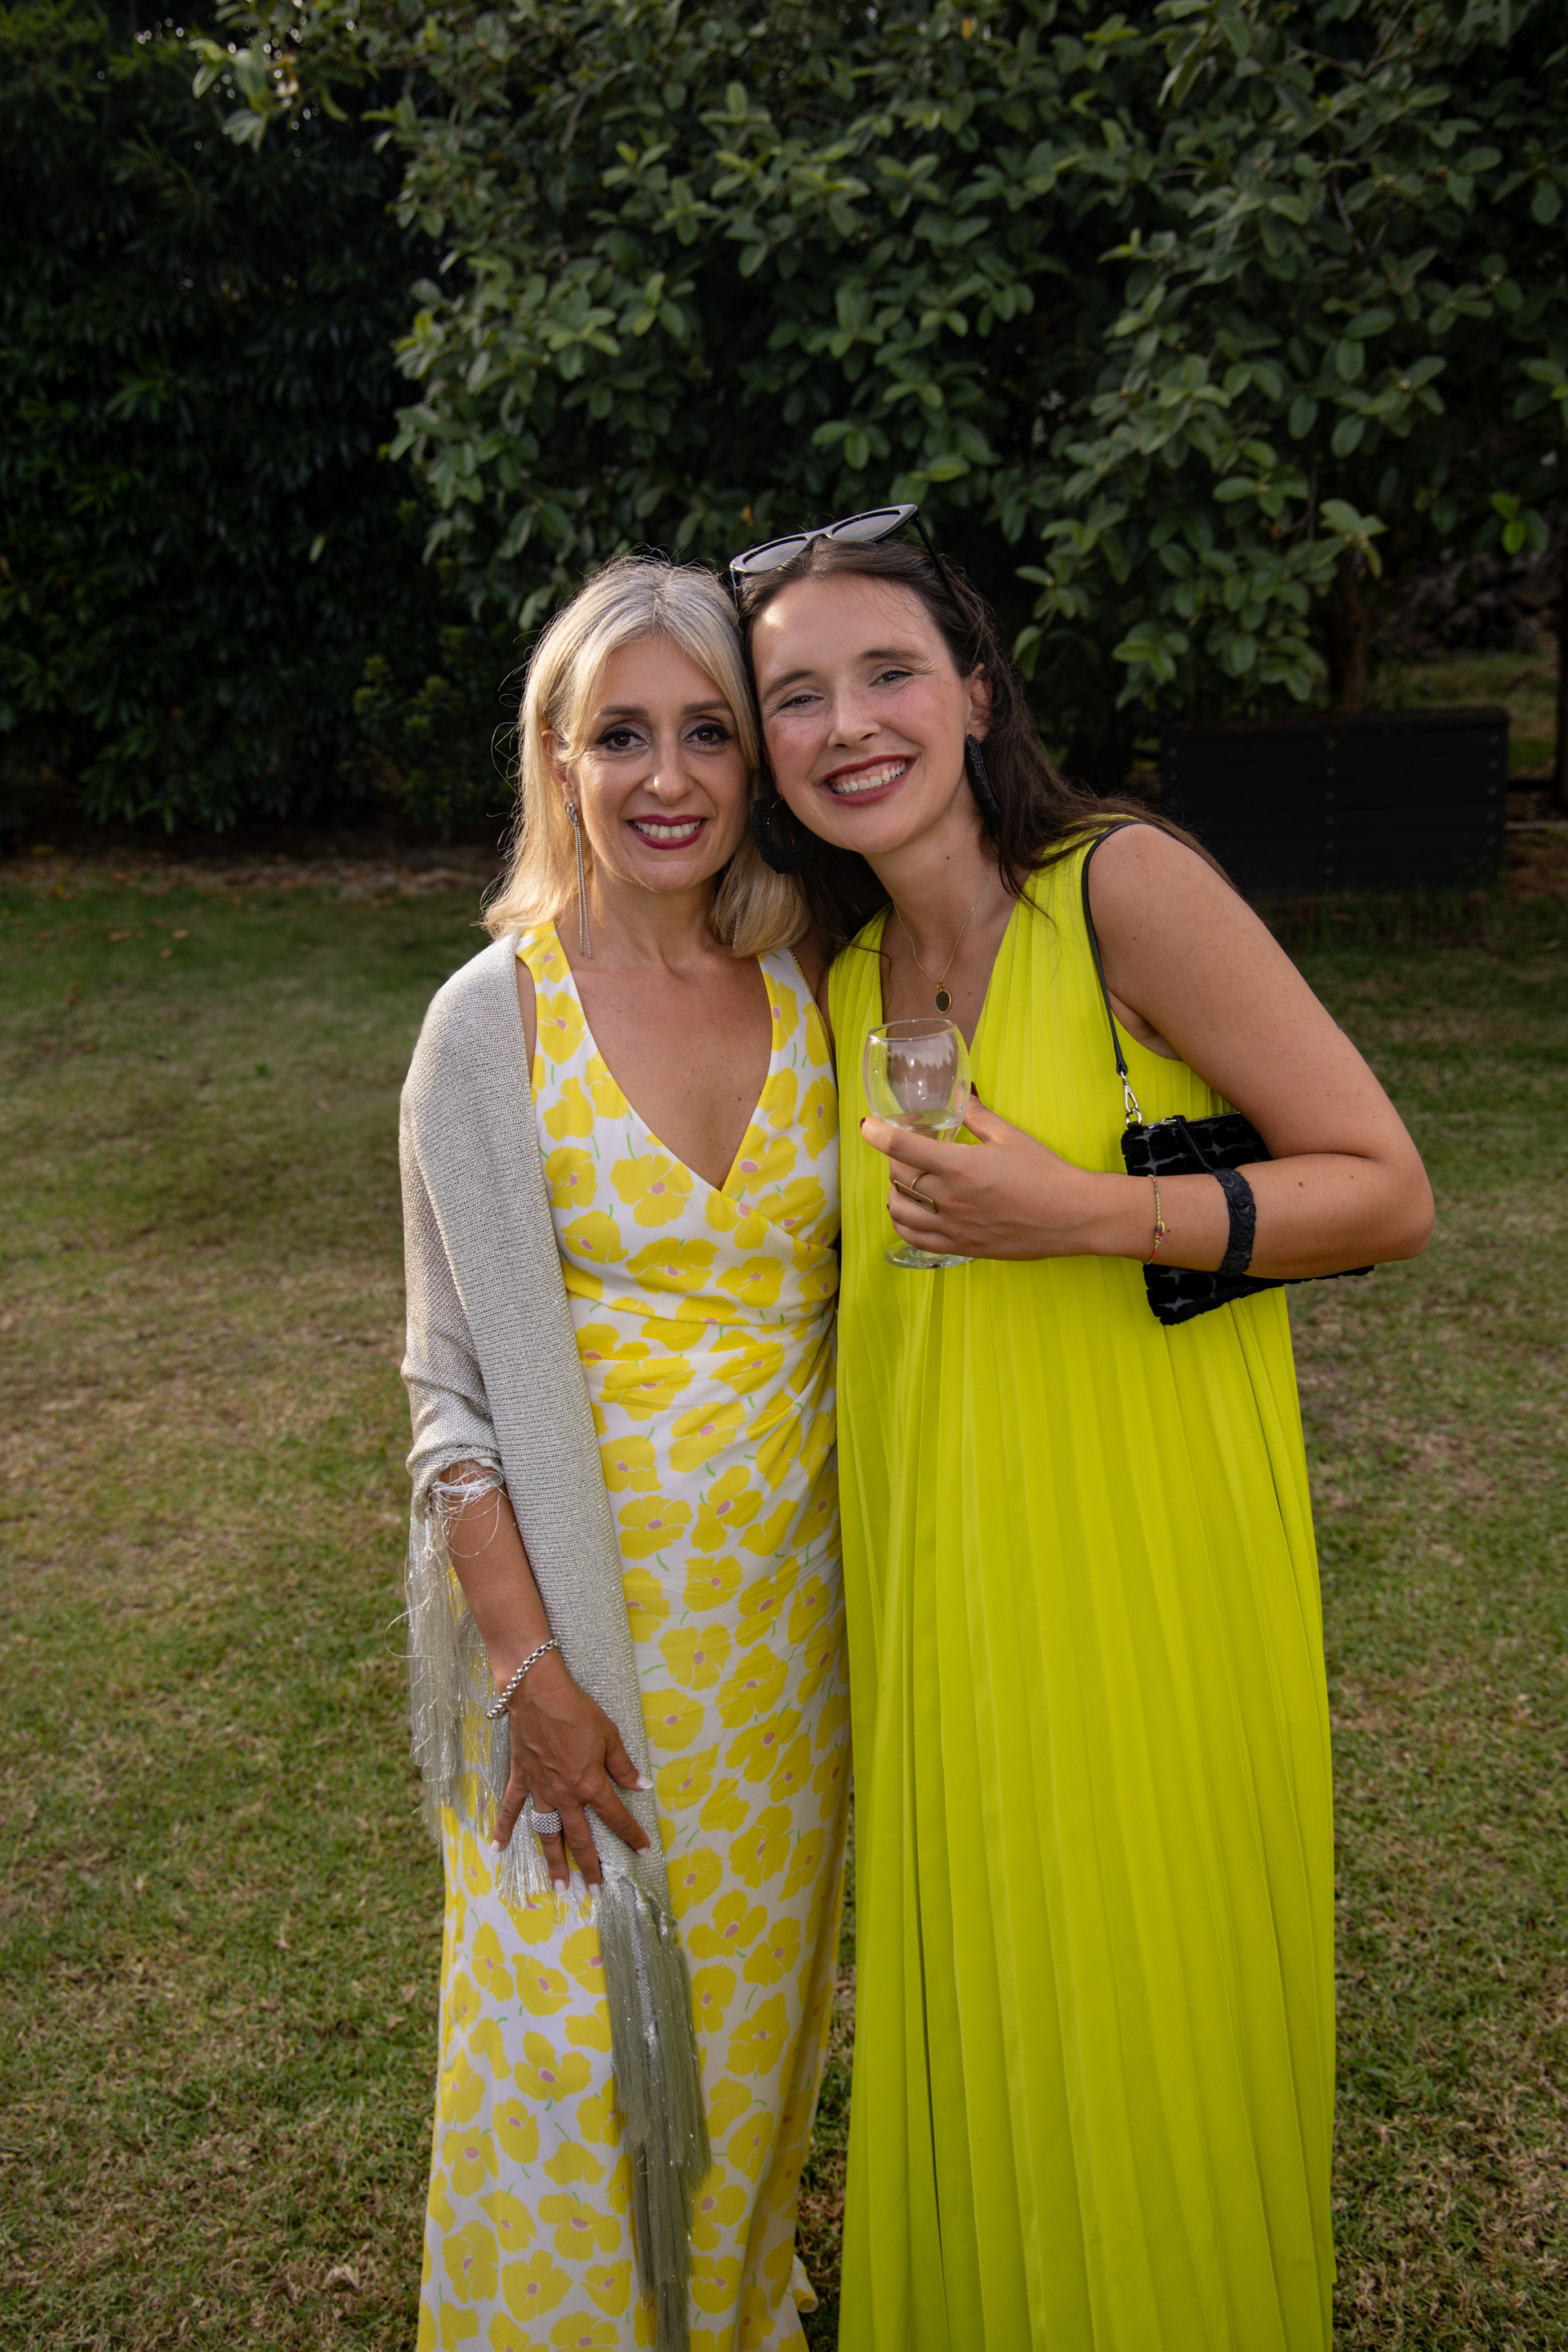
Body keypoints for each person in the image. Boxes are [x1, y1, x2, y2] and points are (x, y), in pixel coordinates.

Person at [738, 517, 1435, 2351]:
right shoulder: (837, 985)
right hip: (944, 1576)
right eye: (796, 696)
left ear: (978, 694)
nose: (847, 725)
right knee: (991, 1974)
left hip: (1144, 1553)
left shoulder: (1124, 887)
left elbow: (1388, 1189)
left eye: (888, 672)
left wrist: (1091, 1215)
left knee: (1140, 1975)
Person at [399, 555, 849, 2352]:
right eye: (622, 736)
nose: (668, 777)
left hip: (794, 1657)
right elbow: (450, 1401)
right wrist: (533, 1676)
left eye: (709, 732)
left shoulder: (816, 982)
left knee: (750, 2053)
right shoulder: (492, 1020)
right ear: (556, 759)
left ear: (754, 761)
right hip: (588, 1649)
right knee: (568, 2068)